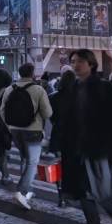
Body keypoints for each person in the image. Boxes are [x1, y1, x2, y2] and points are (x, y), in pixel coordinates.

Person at [54, 50, 112, 224]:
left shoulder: (105, 87)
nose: (76, 65)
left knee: (98, 191)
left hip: (97, 148)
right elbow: (63, 119)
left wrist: (110, 136)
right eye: (73, 61)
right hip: (74, 148)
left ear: (91, 64)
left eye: (80, 61)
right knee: (82, 191)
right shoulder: (72, 89)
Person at [0, 63, 53, 210]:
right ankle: (21, 191)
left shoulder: (10, 89)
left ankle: (28, 189)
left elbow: (2, 111)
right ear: (33, 74)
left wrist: (10, 126)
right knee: (32, 162)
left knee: (25, 158)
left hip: (15, 130)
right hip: (33, 130)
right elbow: (48, 113)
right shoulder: (38, 90)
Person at [48, 69, 76, 208]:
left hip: (58, 135)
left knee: (60, 166)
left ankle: (61, 196)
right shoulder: (80, 97)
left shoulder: (53, 97)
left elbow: (51, 117)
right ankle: (73, 193)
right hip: (76, 136)